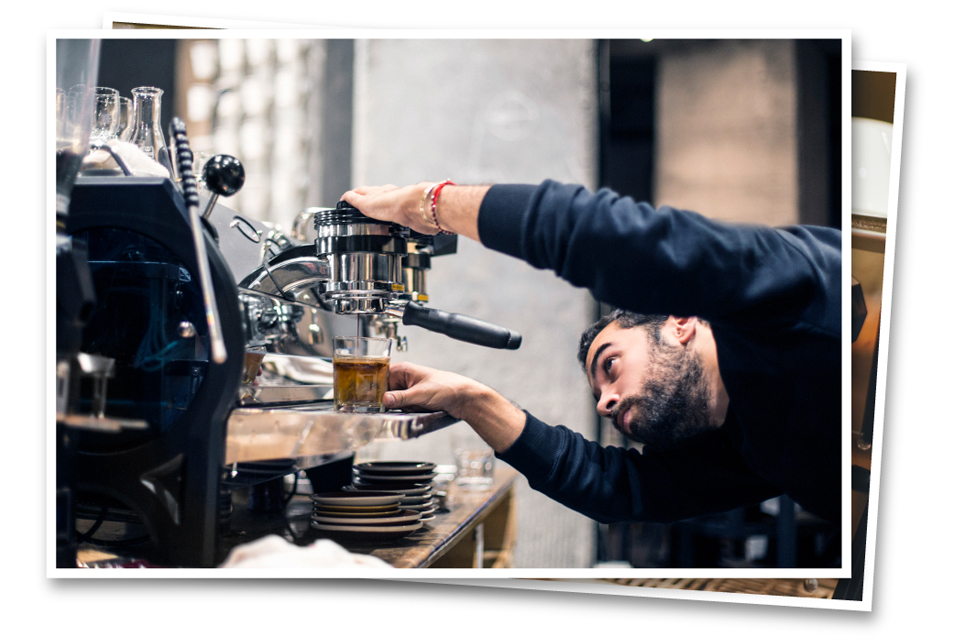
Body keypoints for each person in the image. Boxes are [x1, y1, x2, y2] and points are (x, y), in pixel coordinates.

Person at [340, 179, 842, 527]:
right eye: (601, 391)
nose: (604, 403)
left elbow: (606, 237)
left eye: (611, 365)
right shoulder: (743, 450)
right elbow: (617, 489)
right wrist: (470, 398)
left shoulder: (784, 288)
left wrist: (428, 204)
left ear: (681, 321)